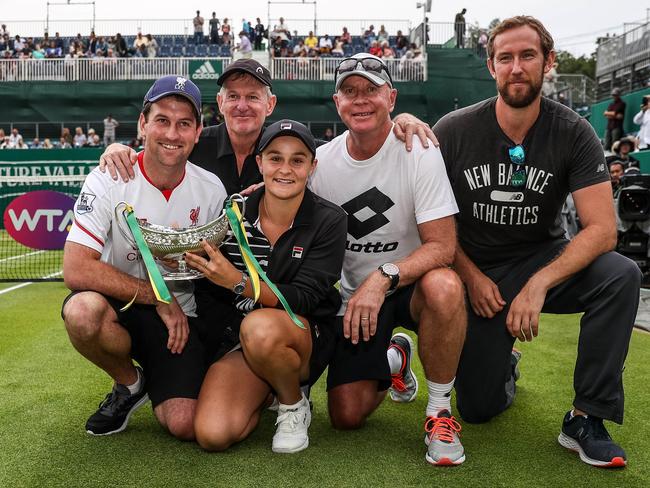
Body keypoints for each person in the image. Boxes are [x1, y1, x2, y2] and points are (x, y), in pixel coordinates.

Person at [433, 16, 641, 468]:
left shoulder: (574, 131)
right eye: (505, 57)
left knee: (621, 274)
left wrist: (539, 283)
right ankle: (504, 365)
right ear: (491, 67)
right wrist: (469, 276)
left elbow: (603, 229)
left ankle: (586, 418)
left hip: (543, 258)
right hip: (477, 268)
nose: (516, 67)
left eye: (528, 55)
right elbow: (429, 220)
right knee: (479, 409)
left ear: (549, 62)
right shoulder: (454, 129)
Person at [310, 53, 467, 466]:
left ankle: (439, 410)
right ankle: (395, 357)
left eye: (371, 90)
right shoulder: (320, 162)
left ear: (391, 97)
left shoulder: (419, 149)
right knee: (346, 415)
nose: (360, 100)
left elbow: (443, 247)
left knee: (445, 284)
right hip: (356, 297)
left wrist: (384, 277)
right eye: (349, 91)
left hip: (409, 286)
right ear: (336, 101)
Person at [61, 75, 228, 439]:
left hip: (180, 319)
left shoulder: (211, 189)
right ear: (143, 124)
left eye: (184, 123)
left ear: (198, 132)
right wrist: (158, 297)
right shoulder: (108, 178)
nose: (172, 133)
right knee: (81, 312)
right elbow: (75, 268)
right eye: (162, 120)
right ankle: (130, 383)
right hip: (120, 306)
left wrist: (186, 266)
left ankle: (161, 376)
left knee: (185, 425)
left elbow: (211, 264)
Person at [186, 120, 347, 454]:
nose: (285, 169)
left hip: (303, 334)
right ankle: (270, 386)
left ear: (312, 167)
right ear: (260, 163)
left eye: (297, 160)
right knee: (213, 434)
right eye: (275, 158)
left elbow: (305, 297)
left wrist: (239, 282)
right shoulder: (233, 214)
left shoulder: (329, 220)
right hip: (243, 341)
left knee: (259, 326)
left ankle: (293, 403)